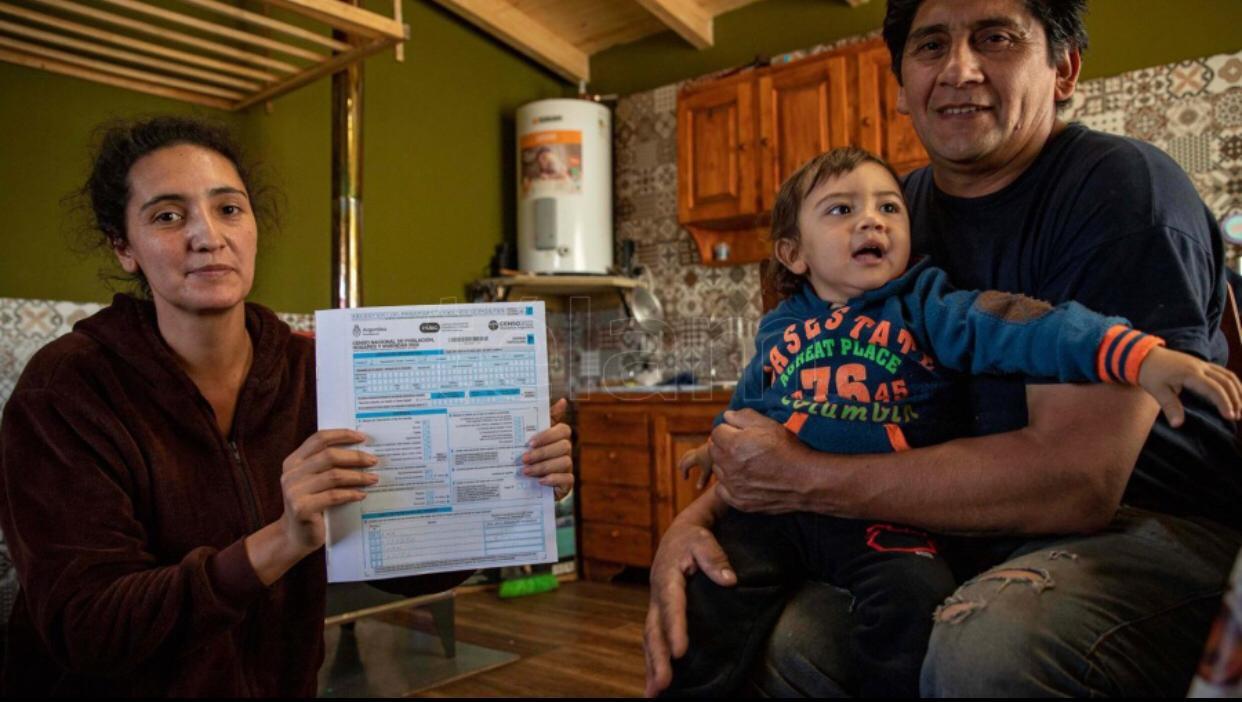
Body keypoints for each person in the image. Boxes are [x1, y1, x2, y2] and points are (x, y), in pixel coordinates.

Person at [644, 0, 1242, 696]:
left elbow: (1074, 482)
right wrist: (691, 522)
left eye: (995, 37)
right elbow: (792, 397)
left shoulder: (1118, 187)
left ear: (1064, 68)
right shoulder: (898, 211)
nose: (959, 69)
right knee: (780, 636)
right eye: (931, 46)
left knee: (988, 645)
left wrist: (804, 478)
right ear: (901, 87)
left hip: (1149, 529)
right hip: (944, 525)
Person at [0, 116, 575, 696]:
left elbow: (402, 565)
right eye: (167, 215)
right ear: (122, 246)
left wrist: (509, 485)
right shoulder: (67, 390)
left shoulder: (314, 373)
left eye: (228, 208)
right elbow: (86, 629)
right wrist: (282, 541)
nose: (208, 236)